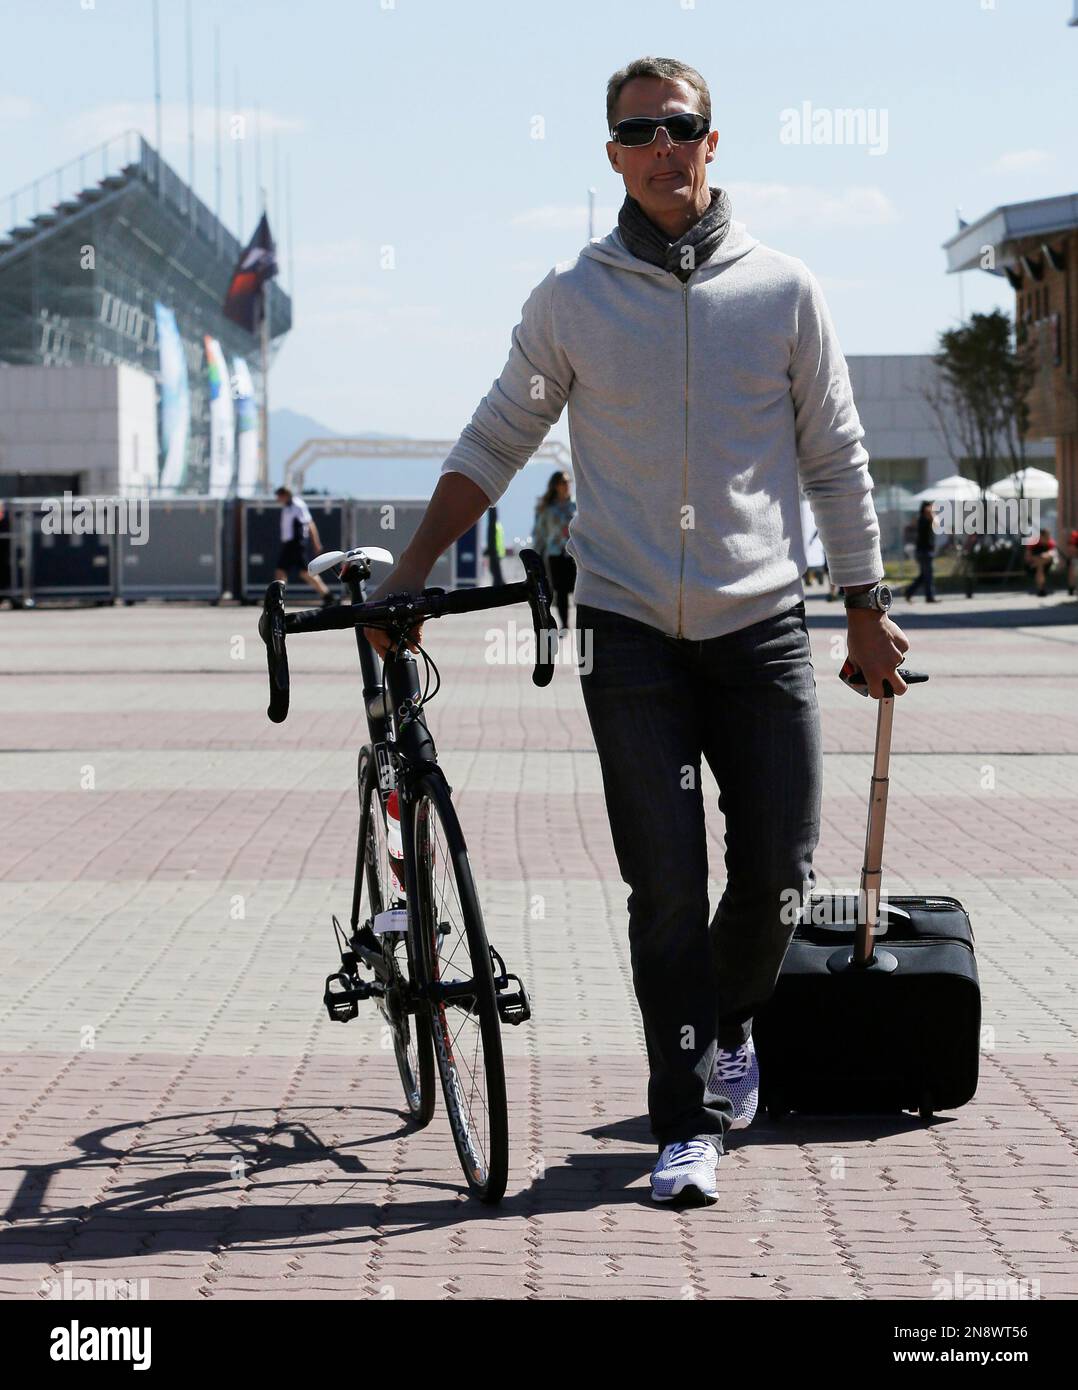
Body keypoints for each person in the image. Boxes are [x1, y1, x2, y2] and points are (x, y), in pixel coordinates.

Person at [361, 55, 909, 1207]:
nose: (663, 146)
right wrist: (407, 577)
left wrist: (863, 606)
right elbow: (493, 441)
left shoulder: (785, 290)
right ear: (611, 155)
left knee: (777, 875)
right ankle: (684, 1120)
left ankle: (734, 1021)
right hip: (629, 639)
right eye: (638, 131)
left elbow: (836, 458)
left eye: (682, 126)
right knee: (664, 887)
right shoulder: (574, 297)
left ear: (716, 142)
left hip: (762, 627)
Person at [532, 470, 577, 631]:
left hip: (574, 554)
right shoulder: (547, 509)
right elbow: (539, 532)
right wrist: (536, 556)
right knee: (561, 590)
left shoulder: (576, 506)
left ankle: (582, 625)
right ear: (556, 486)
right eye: (563, 482)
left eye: (568, 482)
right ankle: (565, 624)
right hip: (555, 554)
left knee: (578, 590)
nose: (567, 485)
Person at [274, 486, 332, 606]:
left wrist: (316, 543)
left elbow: (309, 523)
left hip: (296, 544)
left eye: (279, 496)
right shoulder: (287, 507)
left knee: (285, 571)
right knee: (299, 572)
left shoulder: (297, 506)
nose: (277, 499)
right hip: (289, 544)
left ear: (285, 495)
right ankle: (327, 595)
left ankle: (277, 599)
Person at [903, 500, 940, 603]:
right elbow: (936, 523)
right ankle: (929, 597)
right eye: (930, 507)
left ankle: (909, 592)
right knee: (928, 575)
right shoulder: (923, 519)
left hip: (926, 551)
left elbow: (937, 525)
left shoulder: (925, 518)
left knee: (924, 575)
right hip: (924, 552)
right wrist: (931, 512)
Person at [1025, 526, 1056, 598]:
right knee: (1040, 565)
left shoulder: (1050, 543)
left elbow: (1052, 554)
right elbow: (1027, 557)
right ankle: (1041, 589)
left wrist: (1043, 556)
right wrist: (1038, 558)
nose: (1048, 537)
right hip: (1032, 566)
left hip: (1046, 564)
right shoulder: (1033, 543)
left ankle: (1040, 589)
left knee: (1042, 560)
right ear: (1041, 536)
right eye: (1047, 536)